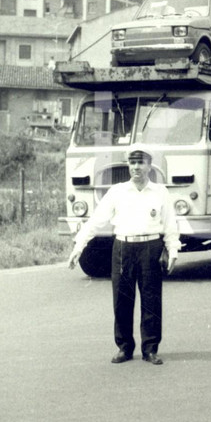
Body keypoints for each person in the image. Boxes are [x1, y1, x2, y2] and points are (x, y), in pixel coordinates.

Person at [68, 146, 181, 365]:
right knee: (122, 300)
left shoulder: (160, 192)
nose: (136, 167)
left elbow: (170, 224)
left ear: (149, 166)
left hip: (150, 247)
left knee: (151, 300)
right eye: (132, 163)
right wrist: (78, 246)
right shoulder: (117, 192)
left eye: (141, 163)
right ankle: (124, 347)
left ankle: (150, 348)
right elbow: (96, 221)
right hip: (123, 248)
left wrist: (173, 250)